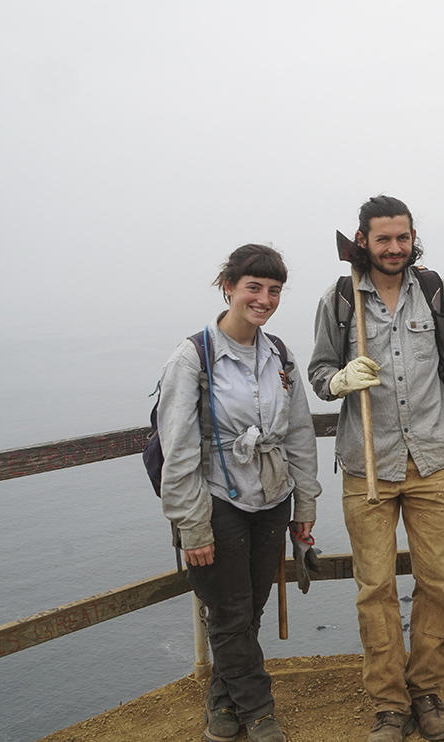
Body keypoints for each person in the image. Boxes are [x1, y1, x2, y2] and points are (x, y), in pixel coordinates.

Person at [309, 195, 444, 742]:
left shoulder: (433, 291)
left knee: (438, 582)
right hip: (367, 468)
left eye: (402, 237)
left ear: (412, 237)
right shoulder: (339, 299)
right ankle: (389, 705)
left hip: (430, 459)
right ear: (363, 240)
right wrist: (338, 381)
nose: (394, 248)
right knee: (374, 588)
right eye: (383, 239)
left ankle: (425, 690)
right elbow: (317, 371)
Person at [157, 244, 321, 742]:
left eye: (273, 290)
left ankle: (221, 702)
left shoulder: (280, 355)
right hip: (216, 499)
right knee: (229, 611)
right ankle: (259, 710)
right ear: (228, 287)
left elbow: (299, 433)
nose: (264, 299)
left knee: (248, 609)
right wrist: (193, 525)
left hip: (273, 497)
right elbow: (179, 449)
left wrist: (305, 504)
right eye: (254, 287)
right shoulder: (192, 357)